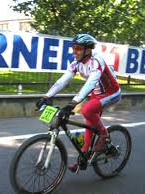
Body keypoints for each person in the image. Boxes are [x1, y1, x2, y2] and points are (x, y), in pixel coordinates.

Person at [36, 33, 121, 172]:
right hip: (96, 94)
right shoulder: (76, 64)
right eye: (73, 48)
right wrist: (46, 97)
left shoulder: (97, 61)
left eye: (78, 48)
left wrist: (72, 104)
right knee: (89, 126)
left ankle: (104, 134)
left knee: (87, 110)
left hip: (111, 92)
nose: (74, 51)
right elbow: (62, 81)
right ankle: (83, 158)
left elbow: (90, 83)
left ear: (88, 50)